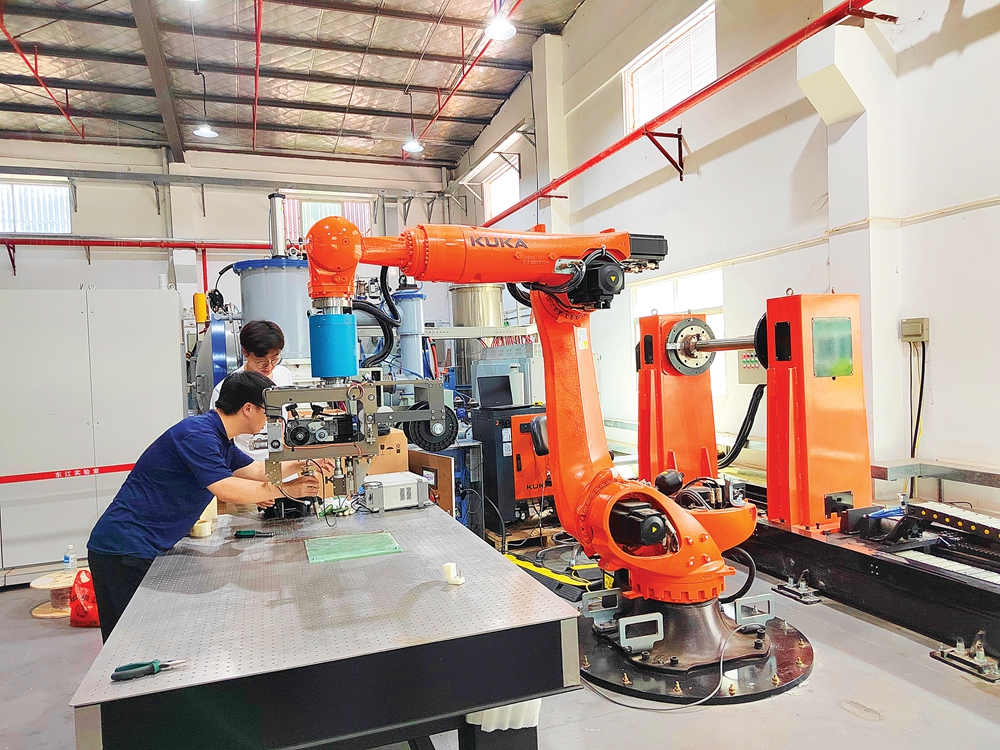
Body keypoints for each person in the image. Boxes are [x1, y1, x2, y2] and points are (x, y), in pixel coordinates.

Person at [87, 371, 322, 643]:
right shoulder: (198, 435)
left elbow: (257, 471)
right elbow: (225, 488)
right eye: (267, 412)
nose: (272, 420)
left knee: (150, 638)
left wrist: (304, 464)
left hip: (145, 545)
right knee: (127, 643)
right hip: (123, 548)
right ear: (248, 409)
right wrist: (288, 490)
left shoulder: (219, 437)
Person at [210, 319, 294, 460]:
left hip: (282, 463)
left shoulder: (284, 375)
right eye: (261, 361)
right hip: (246, 467)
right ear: (245, 352)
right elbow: (220, 441)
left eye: (274, 359)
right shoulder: (226, 390)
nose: (269, 366)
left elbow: (289, 416)